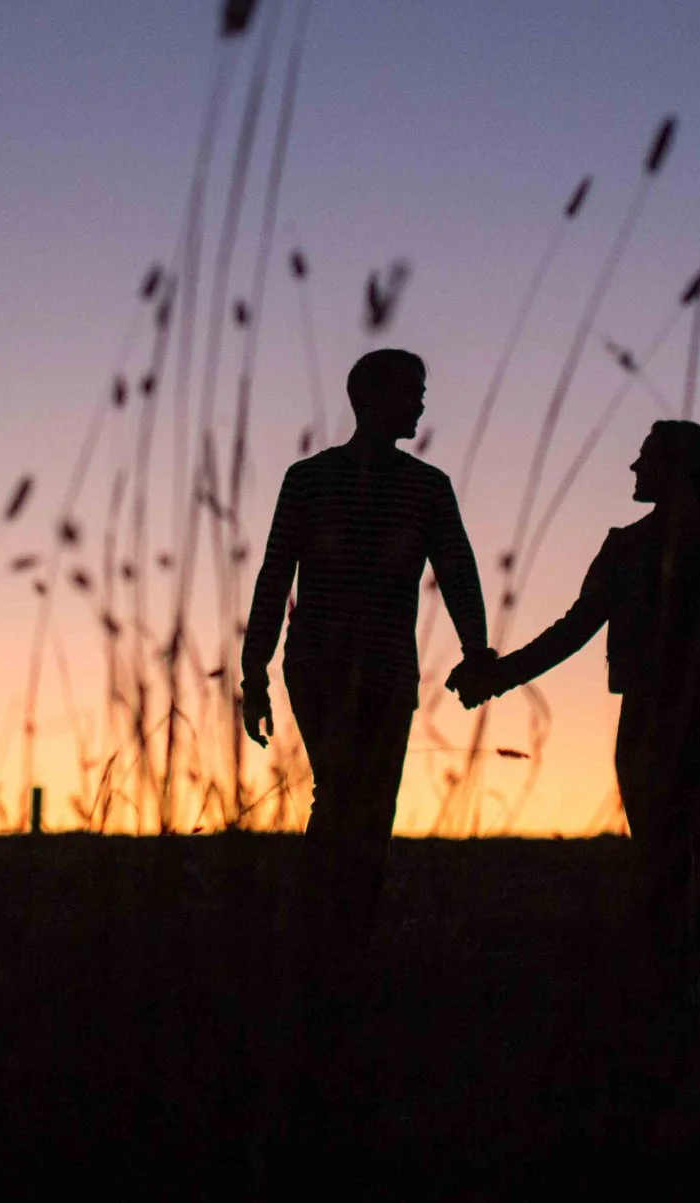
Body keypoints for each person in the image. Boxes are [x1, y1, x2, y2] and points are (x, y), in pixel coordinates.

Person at [452, 419, 700, 997]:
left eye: (645, 459)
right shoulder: (638, 546)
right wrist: (499, 678)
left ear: (676, 470)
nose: (633, 469)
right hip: (679, 723)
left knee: (699, 862)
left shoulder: (696, 546)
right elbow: (574, 630)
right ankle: (684, 989)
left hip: (693, 724)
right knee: (684, 863)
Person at [242, 348, 493, 973]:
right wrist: (254, 673)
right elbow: (274, 577)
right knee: (345, 794)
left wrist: (477, 651)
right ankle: (324, 943)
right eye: (411, 391)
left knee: (368, 805)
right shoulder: (308, 480)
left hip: (386, 669)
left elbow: (457, 571)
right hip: (321, 665)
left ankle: (336, 943)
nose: (421, 403)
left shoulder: (426, 488)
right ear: (370, 398)